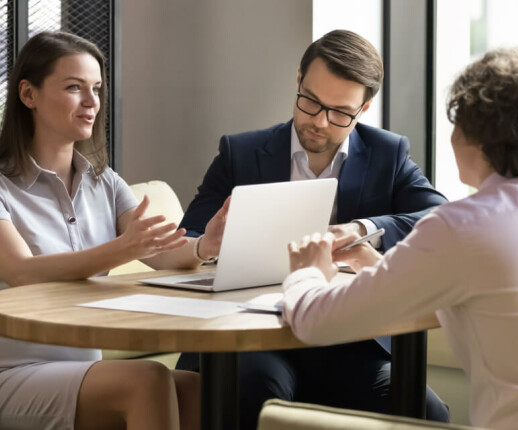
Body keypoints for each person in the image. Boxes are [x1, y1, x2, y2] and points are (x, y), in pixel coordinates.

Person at [283, 48, 518, 429]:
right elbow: (495, 299)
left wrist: (307, 271)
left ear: (477, 135)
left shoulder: (466, 223)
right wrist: (385, 270)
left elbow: (315, 324)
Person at [175, 29, 448, 429]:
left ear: (365, 107)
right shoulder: (242, 152)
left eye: (340, 112)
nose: (319, 121)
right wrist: (207, 244)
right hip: (254, 334)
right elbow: (190, 238)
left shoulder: (388, 153)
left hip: (348, 339)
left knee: (428, 411)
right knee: (255, 388)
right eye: (311, 102)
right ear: (298, 78)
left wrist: (359, 229)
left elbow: (438, 219)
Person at [0, 31, 228, 430]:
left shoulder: (104, 182)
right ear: (28, 94)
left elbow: (159, 251)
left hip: (83, 371)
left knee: (194, 388)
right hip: (13, 371)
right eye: (74, 88)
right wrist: (121, 250)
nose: (91, 103)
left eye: (96, 89)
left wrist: (202, 246)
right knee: (148, 380)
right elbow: (20, 271)